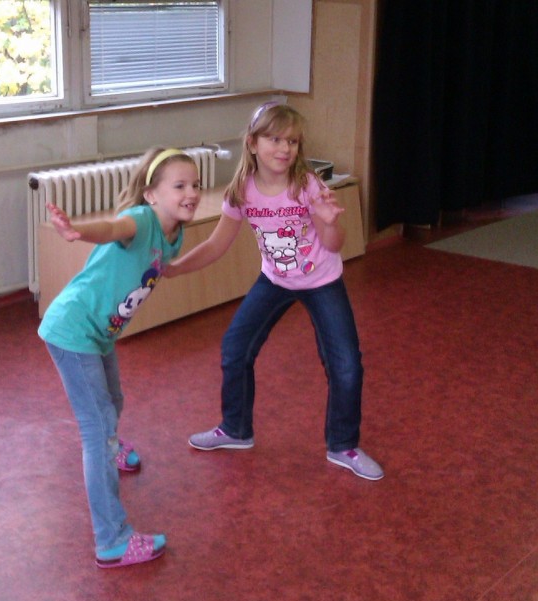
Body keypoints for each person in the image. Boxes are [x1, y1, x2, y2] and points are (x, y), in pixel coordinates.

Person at [164, 103, 383, 480]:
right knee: (235, 348)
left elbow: (333, 244)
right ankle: (236, 429)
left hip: (321, 280)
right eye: (275, 139)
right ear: (252, 143)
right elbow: (216, 245)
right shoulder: (241, 192)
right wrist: (175, 268)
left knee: (346, 364)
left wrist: (330, 222)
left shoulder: (307, 185)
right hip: (275, 279)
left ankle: (343, 445)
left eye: (292, 142)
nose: (285, 148)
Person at [38, 147, 201, 567]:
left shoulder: (175, 234)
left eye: (195, 185)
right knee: (98, 430)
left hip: (101, 332)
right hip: (74, 330)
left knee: (115, 400)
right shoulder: (142, 220)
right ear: (151, 195)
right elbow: (113, 228)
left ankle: (112, 448)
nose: (191, 193)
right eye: (179, 186)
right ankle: (111, 539)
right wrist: (76, 231)